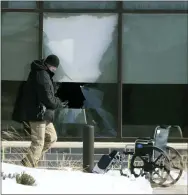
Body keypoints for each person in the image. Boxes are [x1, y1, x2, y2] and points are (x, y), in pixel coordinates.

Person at [12, 54, 68, 167]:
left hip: (44, 114)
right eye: (54, 67)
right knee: (38, 142)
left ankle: (30, 160)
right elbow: (47, 98)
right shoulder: (41, 75)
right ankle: (27, 168)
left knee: (52, 138)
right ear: (49, 65)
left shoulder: (45, 74)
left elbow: (48, 94)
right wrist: (58, 103)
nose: (55, 70)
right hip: (37, 114)